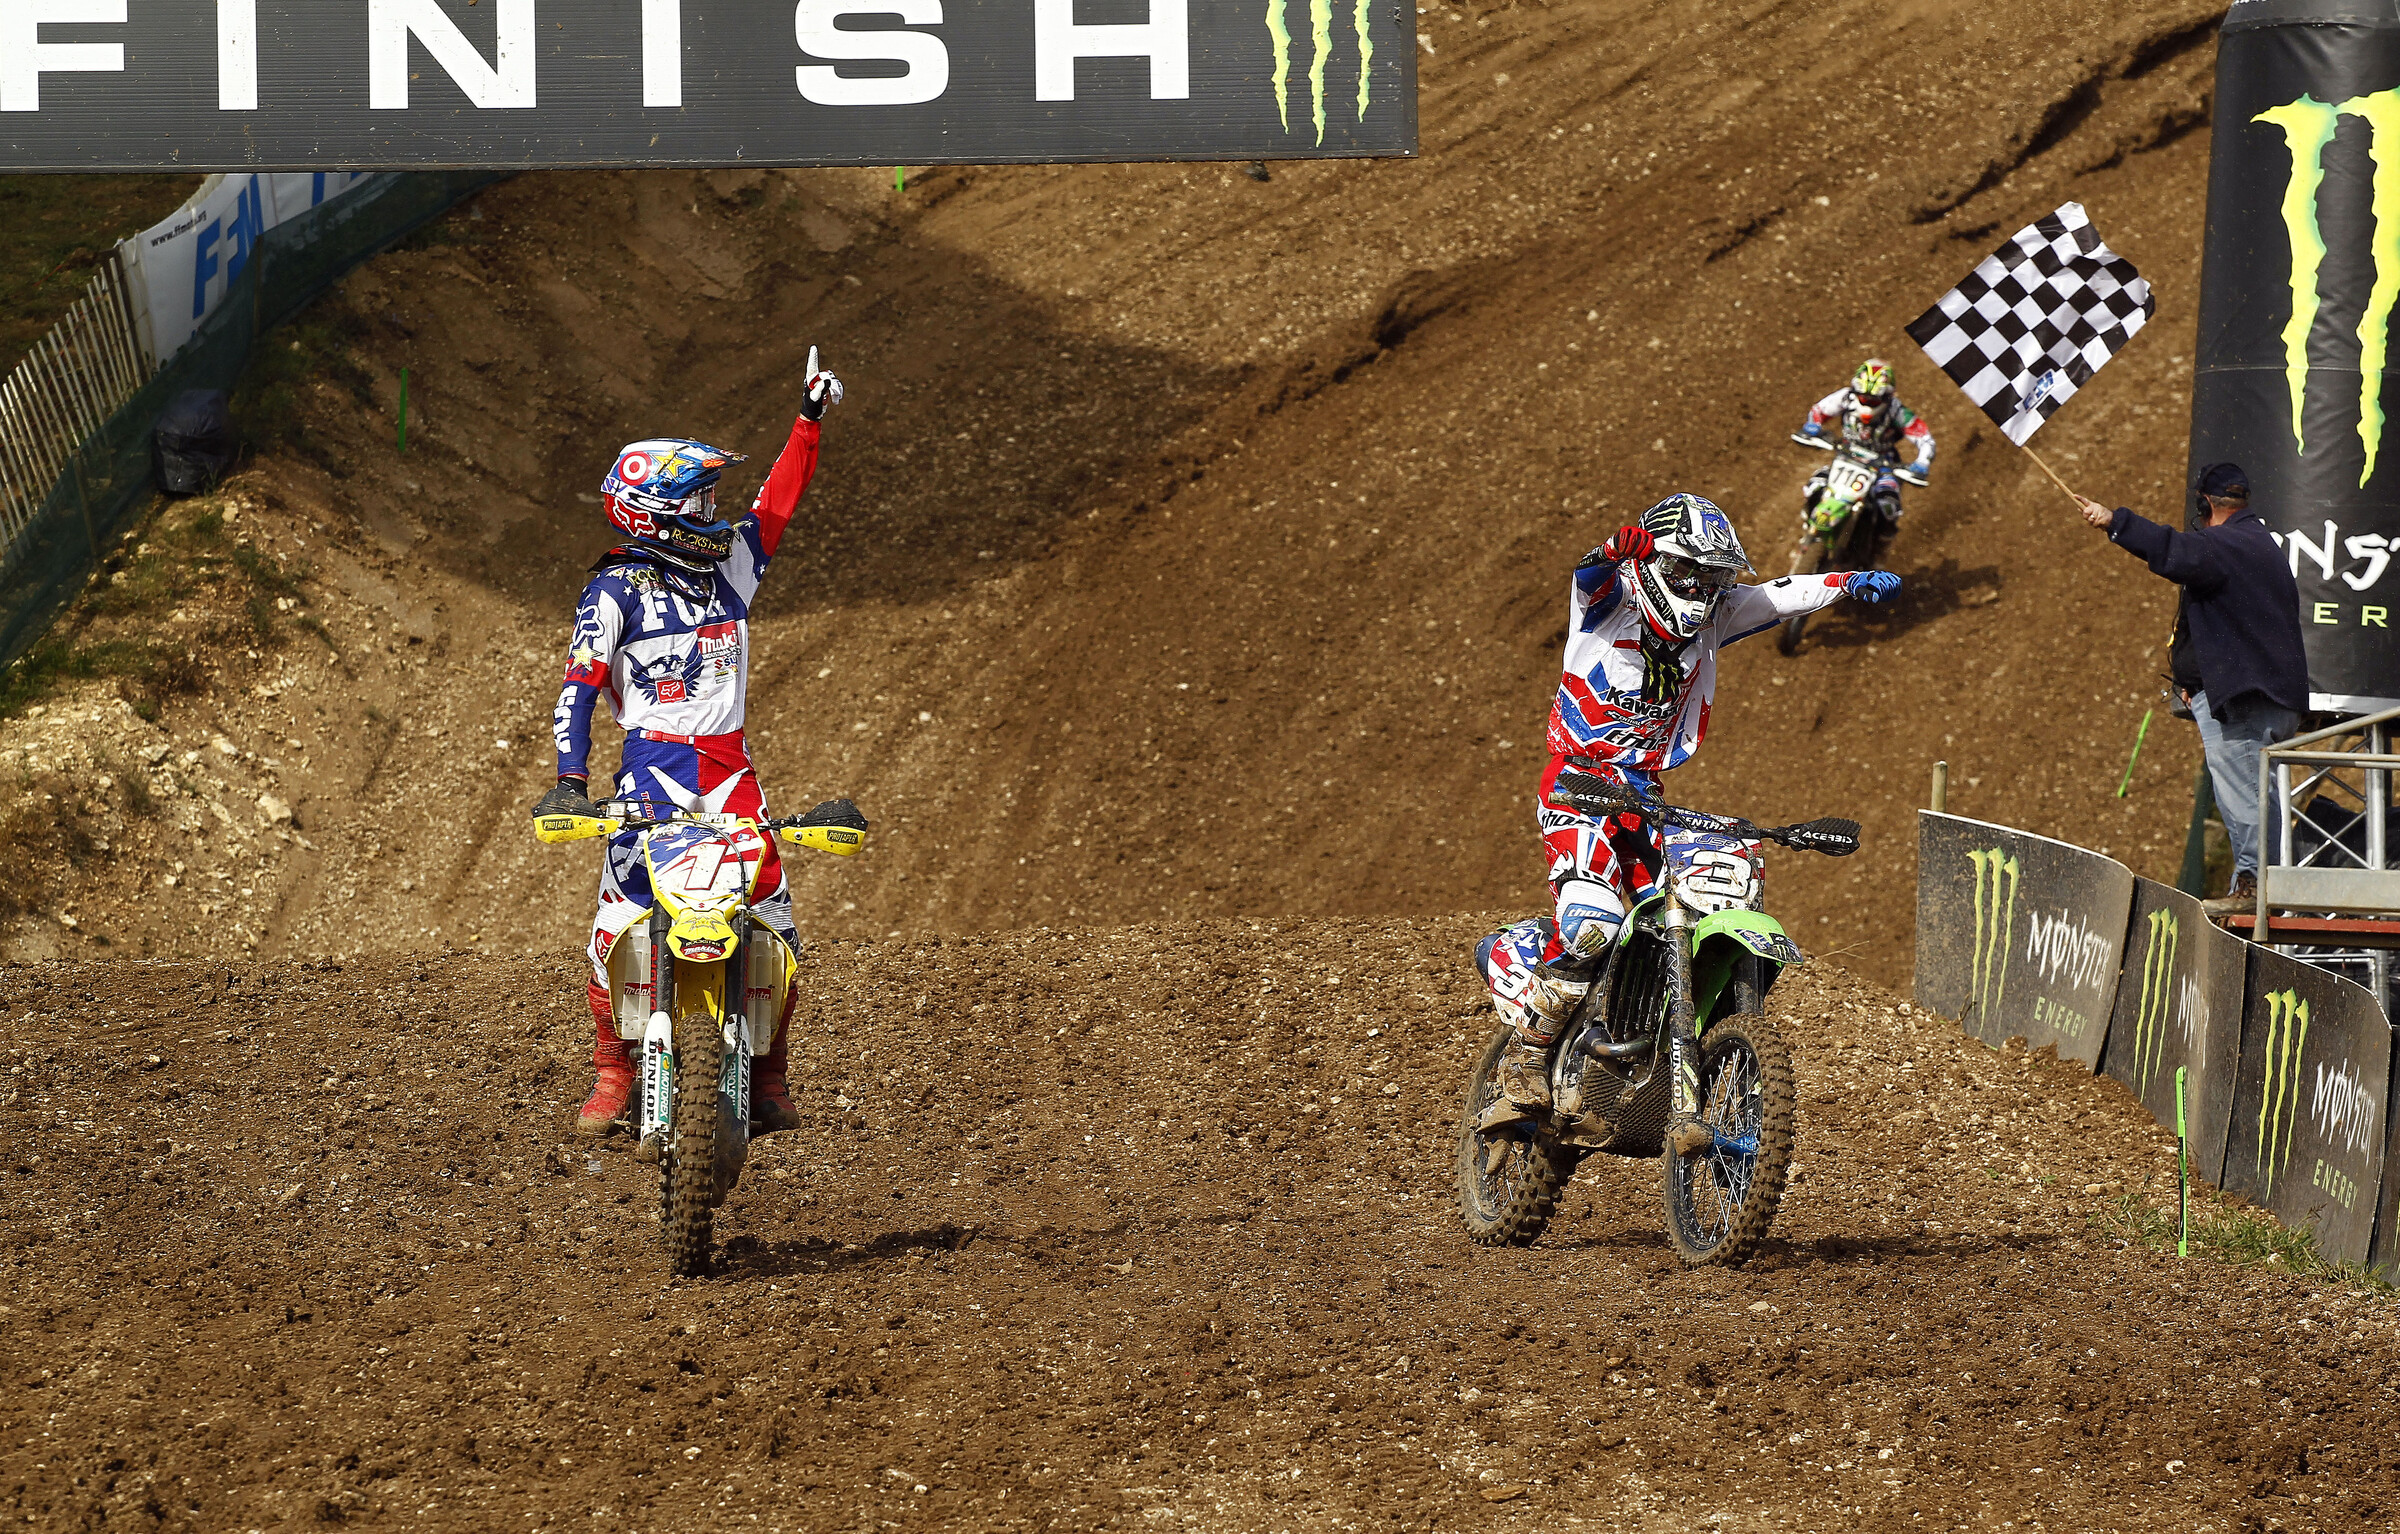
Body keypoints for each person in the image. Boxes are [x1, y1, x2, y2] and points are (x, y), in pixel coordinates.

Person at [1476, 493, 1902, 1110]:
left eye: (1712, 579)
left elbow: (1782, 594)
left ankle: (1657, 1042)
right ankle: (1529, 1053)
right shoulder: (1609, 602)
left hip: (1643, 795)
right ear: (1653, 563)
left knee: (1686, 909)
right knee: (1595, 925)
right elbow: (1587, 577)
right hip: (1578, 785)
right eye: (1687, 574)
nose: (1701, 592)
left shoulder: (1713, 616)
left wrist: (1849, 581)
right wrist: (1608, 552)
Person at [533, 354, 845, 1136]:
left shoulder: (729, 570)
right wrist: (570, 779)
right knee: (619, 922)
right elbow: (577, 686)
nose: (716, 506)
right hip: (652, 768)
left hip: (731, 769)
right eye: (700, 496)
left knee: (775, 918)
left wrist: (806, 423)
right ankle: (611, 1072)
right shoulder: (612, 589)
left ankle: (770, 1076)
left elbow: (776, 506)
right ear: (655, 512)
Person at [2075, 462, 2309, 912]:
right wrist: (2193, 680)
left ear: (2205, 503)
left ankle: (2258, 888)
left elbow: (2174, 551)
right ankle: (2264, 884)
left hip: (2246, 702)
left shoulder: (2227, 544)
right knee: (2259, 794)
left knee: (2244, 796)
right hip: (2270, 696)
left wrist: (2114, 520)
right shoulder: (2256, 544)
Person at [1798, 358, 1936, 562]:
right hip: (1846, 458)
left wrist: (1922, 462)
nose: (1867, 402)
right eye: (1863, 397)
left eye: (1873, 399)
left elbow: (1925, 439)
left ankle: (1879, 550)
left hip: (1883, 466)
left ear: (1888, 396)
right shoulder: (1845, 398)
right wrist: (1813, 426)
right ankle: (1808, 524)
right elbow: (1819, 410)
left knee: (1888, 505)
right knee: (1815, 484)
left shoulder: (1897, 411)